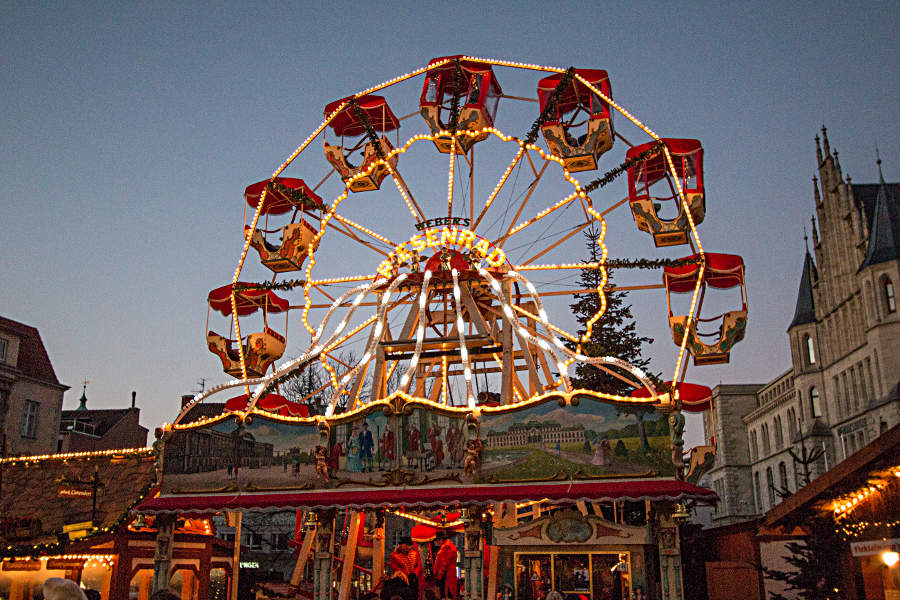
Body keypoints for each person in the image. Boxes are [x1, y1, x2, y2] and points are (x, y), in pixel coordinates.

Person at [432, 531, 458, 599]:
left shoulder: (446, 547)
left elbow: (444, 564)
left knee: (446, 594)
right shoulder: (448, 545)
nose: (437, 543)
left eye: (437, 540)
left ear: (441, 539)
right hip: (448, 574)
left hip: (447, 576)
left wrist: (439, 577)